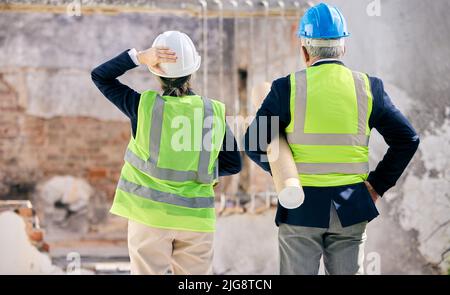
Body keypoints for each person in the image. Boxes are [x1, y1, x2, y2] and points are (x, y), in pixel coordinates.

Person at [244, 3, 420, 275]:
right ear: (343, 48)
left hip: (300, 205)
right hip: (351, 203)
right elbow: (407, 139)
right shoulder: (368, 88)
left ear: (304, 51)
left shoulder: (286, 88)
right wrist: (376, 185)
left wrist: (283, 173)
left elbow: (253, 142)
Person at [91, 31, 242, 275]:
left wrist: (139, 57)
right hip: (196, 219)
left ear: (156, 72)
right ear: (192, 71)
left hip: (149, 216)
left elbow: (100, 76)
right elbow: (233, 164)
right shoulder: (212, 112)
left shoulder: (143, 107)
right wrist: (202, 171)